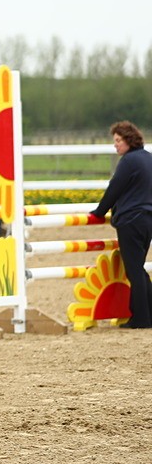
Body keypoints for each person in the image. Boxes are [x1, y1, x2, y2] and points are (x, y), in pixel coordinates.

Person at [90, 121, 152, 328]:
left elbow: (114, 189)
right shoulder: (148, 158)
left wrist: (99, 212)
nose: (115, 145)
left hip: (131, 221)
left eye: (118, 141)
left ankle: (141, 319)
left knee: (134, 271)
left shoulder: (129, 161)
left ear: (128, 140)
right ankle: (147, 315)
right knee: (138, 270)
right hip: (147, 220)